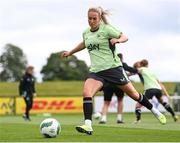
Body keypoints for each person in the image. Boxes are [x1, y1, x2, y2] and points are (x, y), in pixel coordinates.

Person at [61, 6, 166, 135]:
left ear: (99, 19)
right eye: (89, 18)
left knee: (134, 95)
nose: (92, 21)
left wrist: (118, 40)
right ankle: (88, 125)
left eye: (94, 18)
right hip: (96, 71)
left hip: (113, 69)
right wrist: (70, 52)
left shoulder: (107, 29)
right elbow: (84, 43)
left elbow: (125, 37)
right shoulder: (86, 32)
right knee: (86, 92)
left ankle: (155, 111)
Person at [99, 53, 139, 124]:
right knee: (120, 100)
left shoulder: (108, 63)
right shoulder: (121, 63)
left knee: (106, 103)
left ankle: (103, 119)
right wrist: (137, 70)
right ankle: (119, 119)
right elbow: (131, 70)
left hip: (108, 85)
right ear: (122, 58)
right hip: (119, 84)